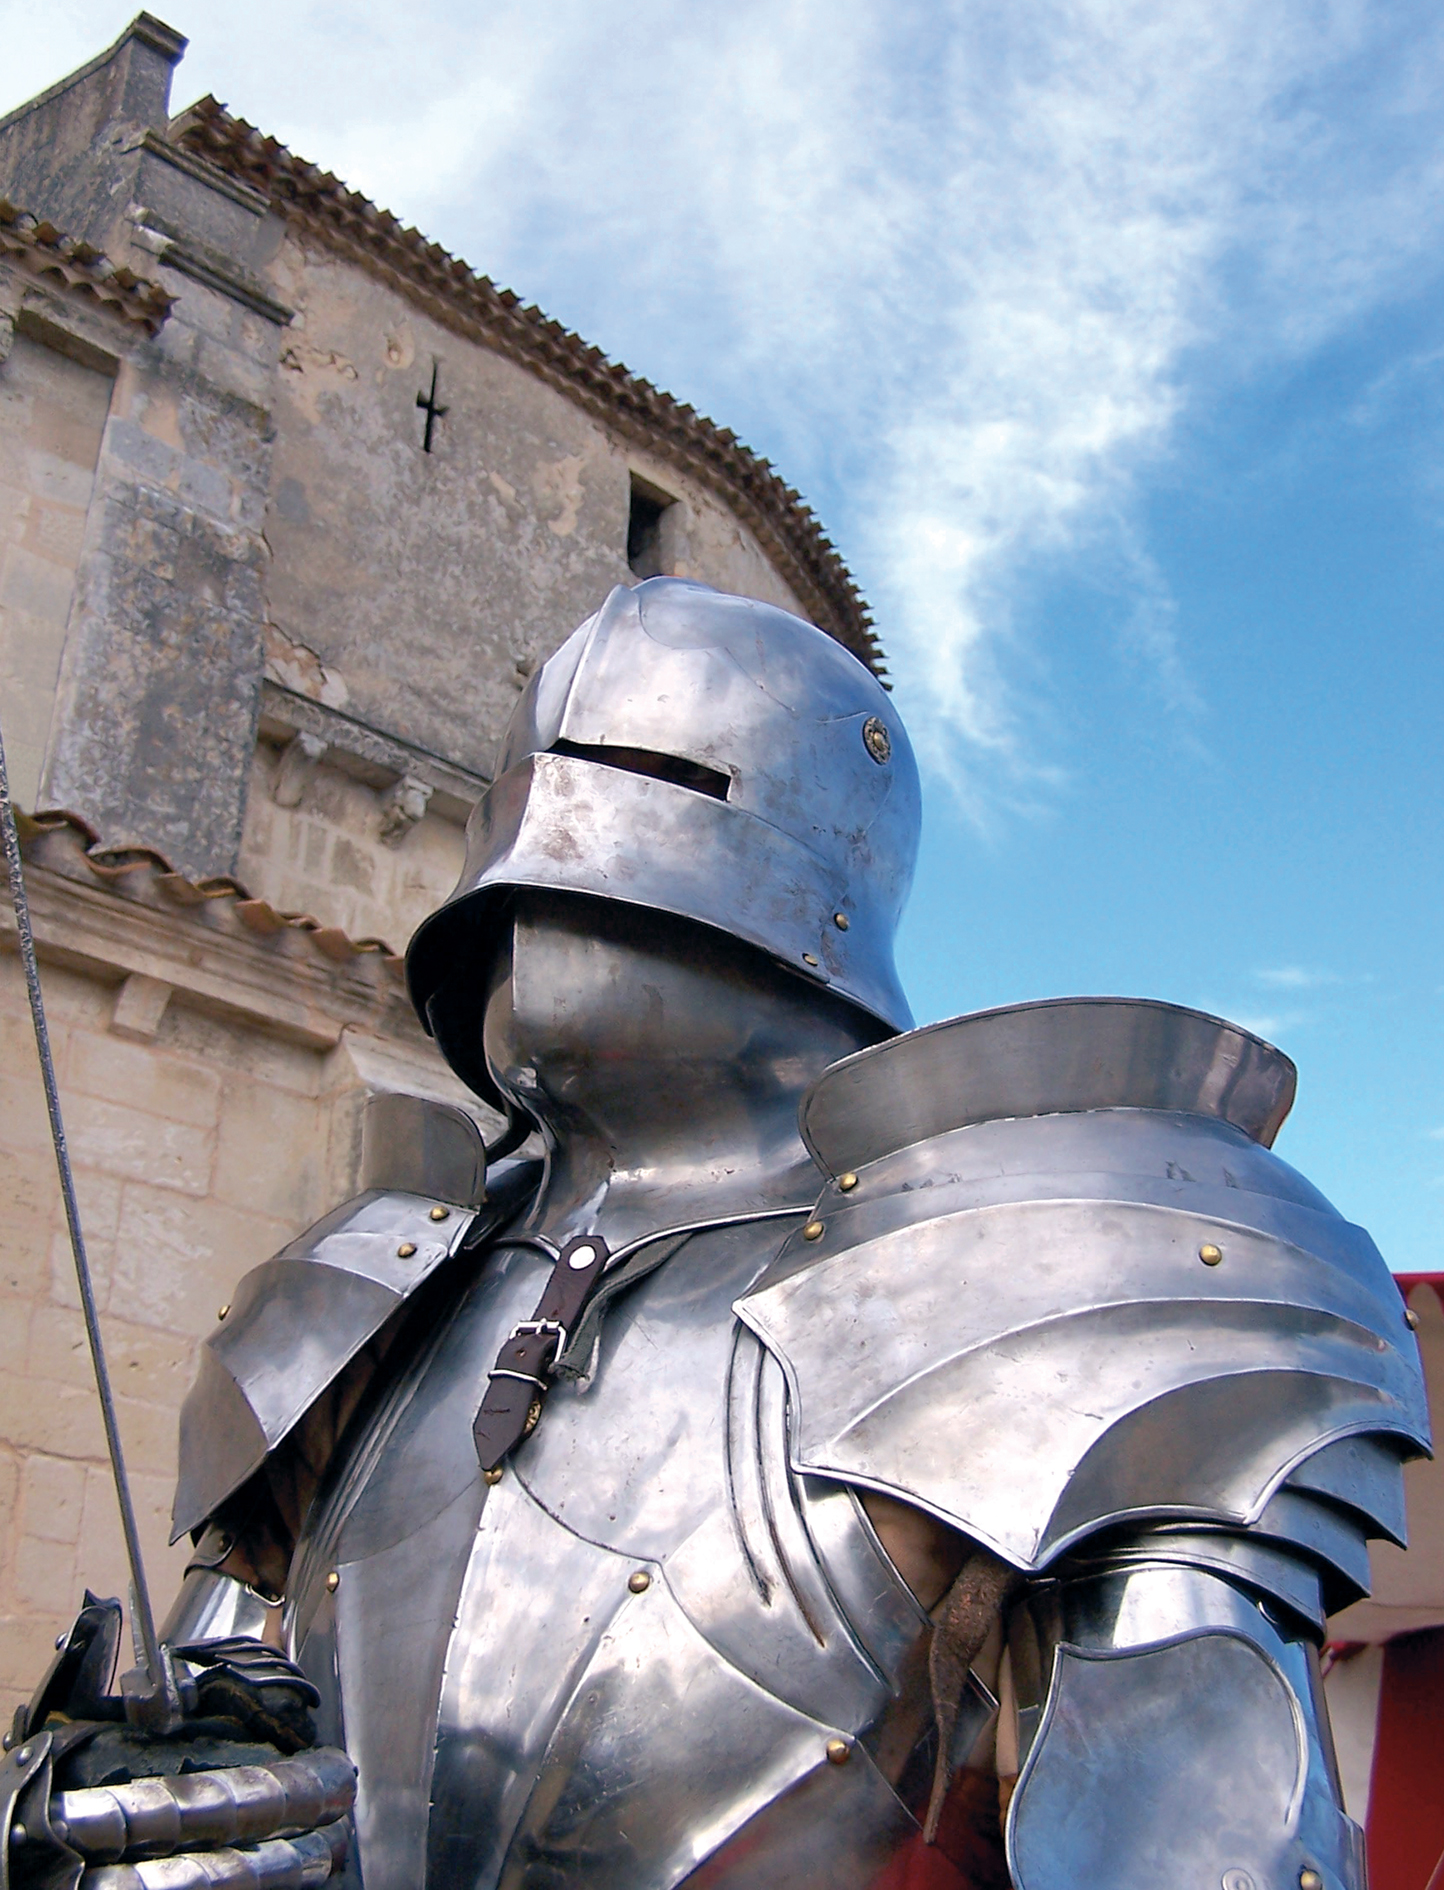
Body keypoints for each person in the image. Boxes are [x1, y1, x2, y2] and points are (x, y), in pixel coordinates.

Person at [2, 579, 1428, 1889]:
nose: (564, 863)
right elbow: (209, 1753)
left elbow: (1218, 1852)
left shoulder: (1051, 1269)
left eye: (648, 783)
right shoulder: (364, 1303)